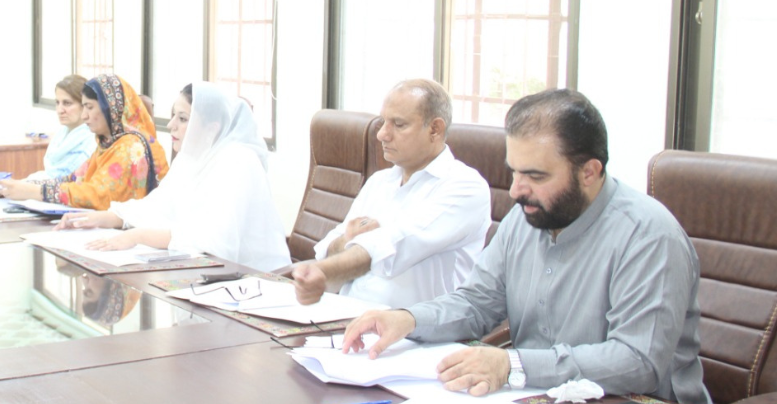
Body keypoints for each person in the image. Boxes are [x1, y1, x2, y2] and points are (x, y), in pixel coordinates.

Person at [339, 90, 710, 403]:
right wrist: (408, 319)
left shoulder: (648, 237)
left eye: (535, 175)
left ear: (590, 172)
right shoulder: (527, 216)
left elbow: (636, 361)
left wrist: (513, 365)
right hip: (536, 392)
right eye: (514, 171)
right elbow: (477, 302)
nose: (516, 190)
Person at [292, 79, 490, 308]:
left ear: (435, 129)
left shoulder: (465, 187)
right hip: (346, 318)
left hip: (415, 334)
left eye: (398, 124)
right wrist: (347, 240)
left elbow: (393, 246)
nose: (382, 135)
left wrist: (323, 270)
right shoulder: (380, 182)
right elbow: (328, 248)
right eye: (383, 122)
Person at [56, 83, 290, 272]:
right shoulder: (192, 158)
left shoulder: (238, 162)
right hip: (207, 276)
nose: (170, 126)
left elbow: (214, 242)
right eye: (172, 116)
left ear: (211, 128)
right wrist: (100, 218)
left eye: (182, 118)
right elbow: (157, 206)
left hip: (254, 283)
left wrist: (137, 236)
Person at [0, 74, 169, 210]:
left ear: (110, 108)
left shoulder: (131, 146)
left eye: (90, 107)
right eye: (84, 107)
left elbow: (99, 195)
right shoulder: (108, 142)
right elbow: (75, 178)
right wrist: (17, 187)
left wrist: (37, 192)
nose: (84, 115)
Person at [26, 75, 97, 181]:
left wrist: (25, 188)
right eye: (57, 102)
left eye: (67, 103)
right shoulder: (61, 135)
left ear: (84, 105)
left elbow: (73, 184)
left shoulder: (92, 141)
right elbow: (51, 176)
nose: (60, 110)